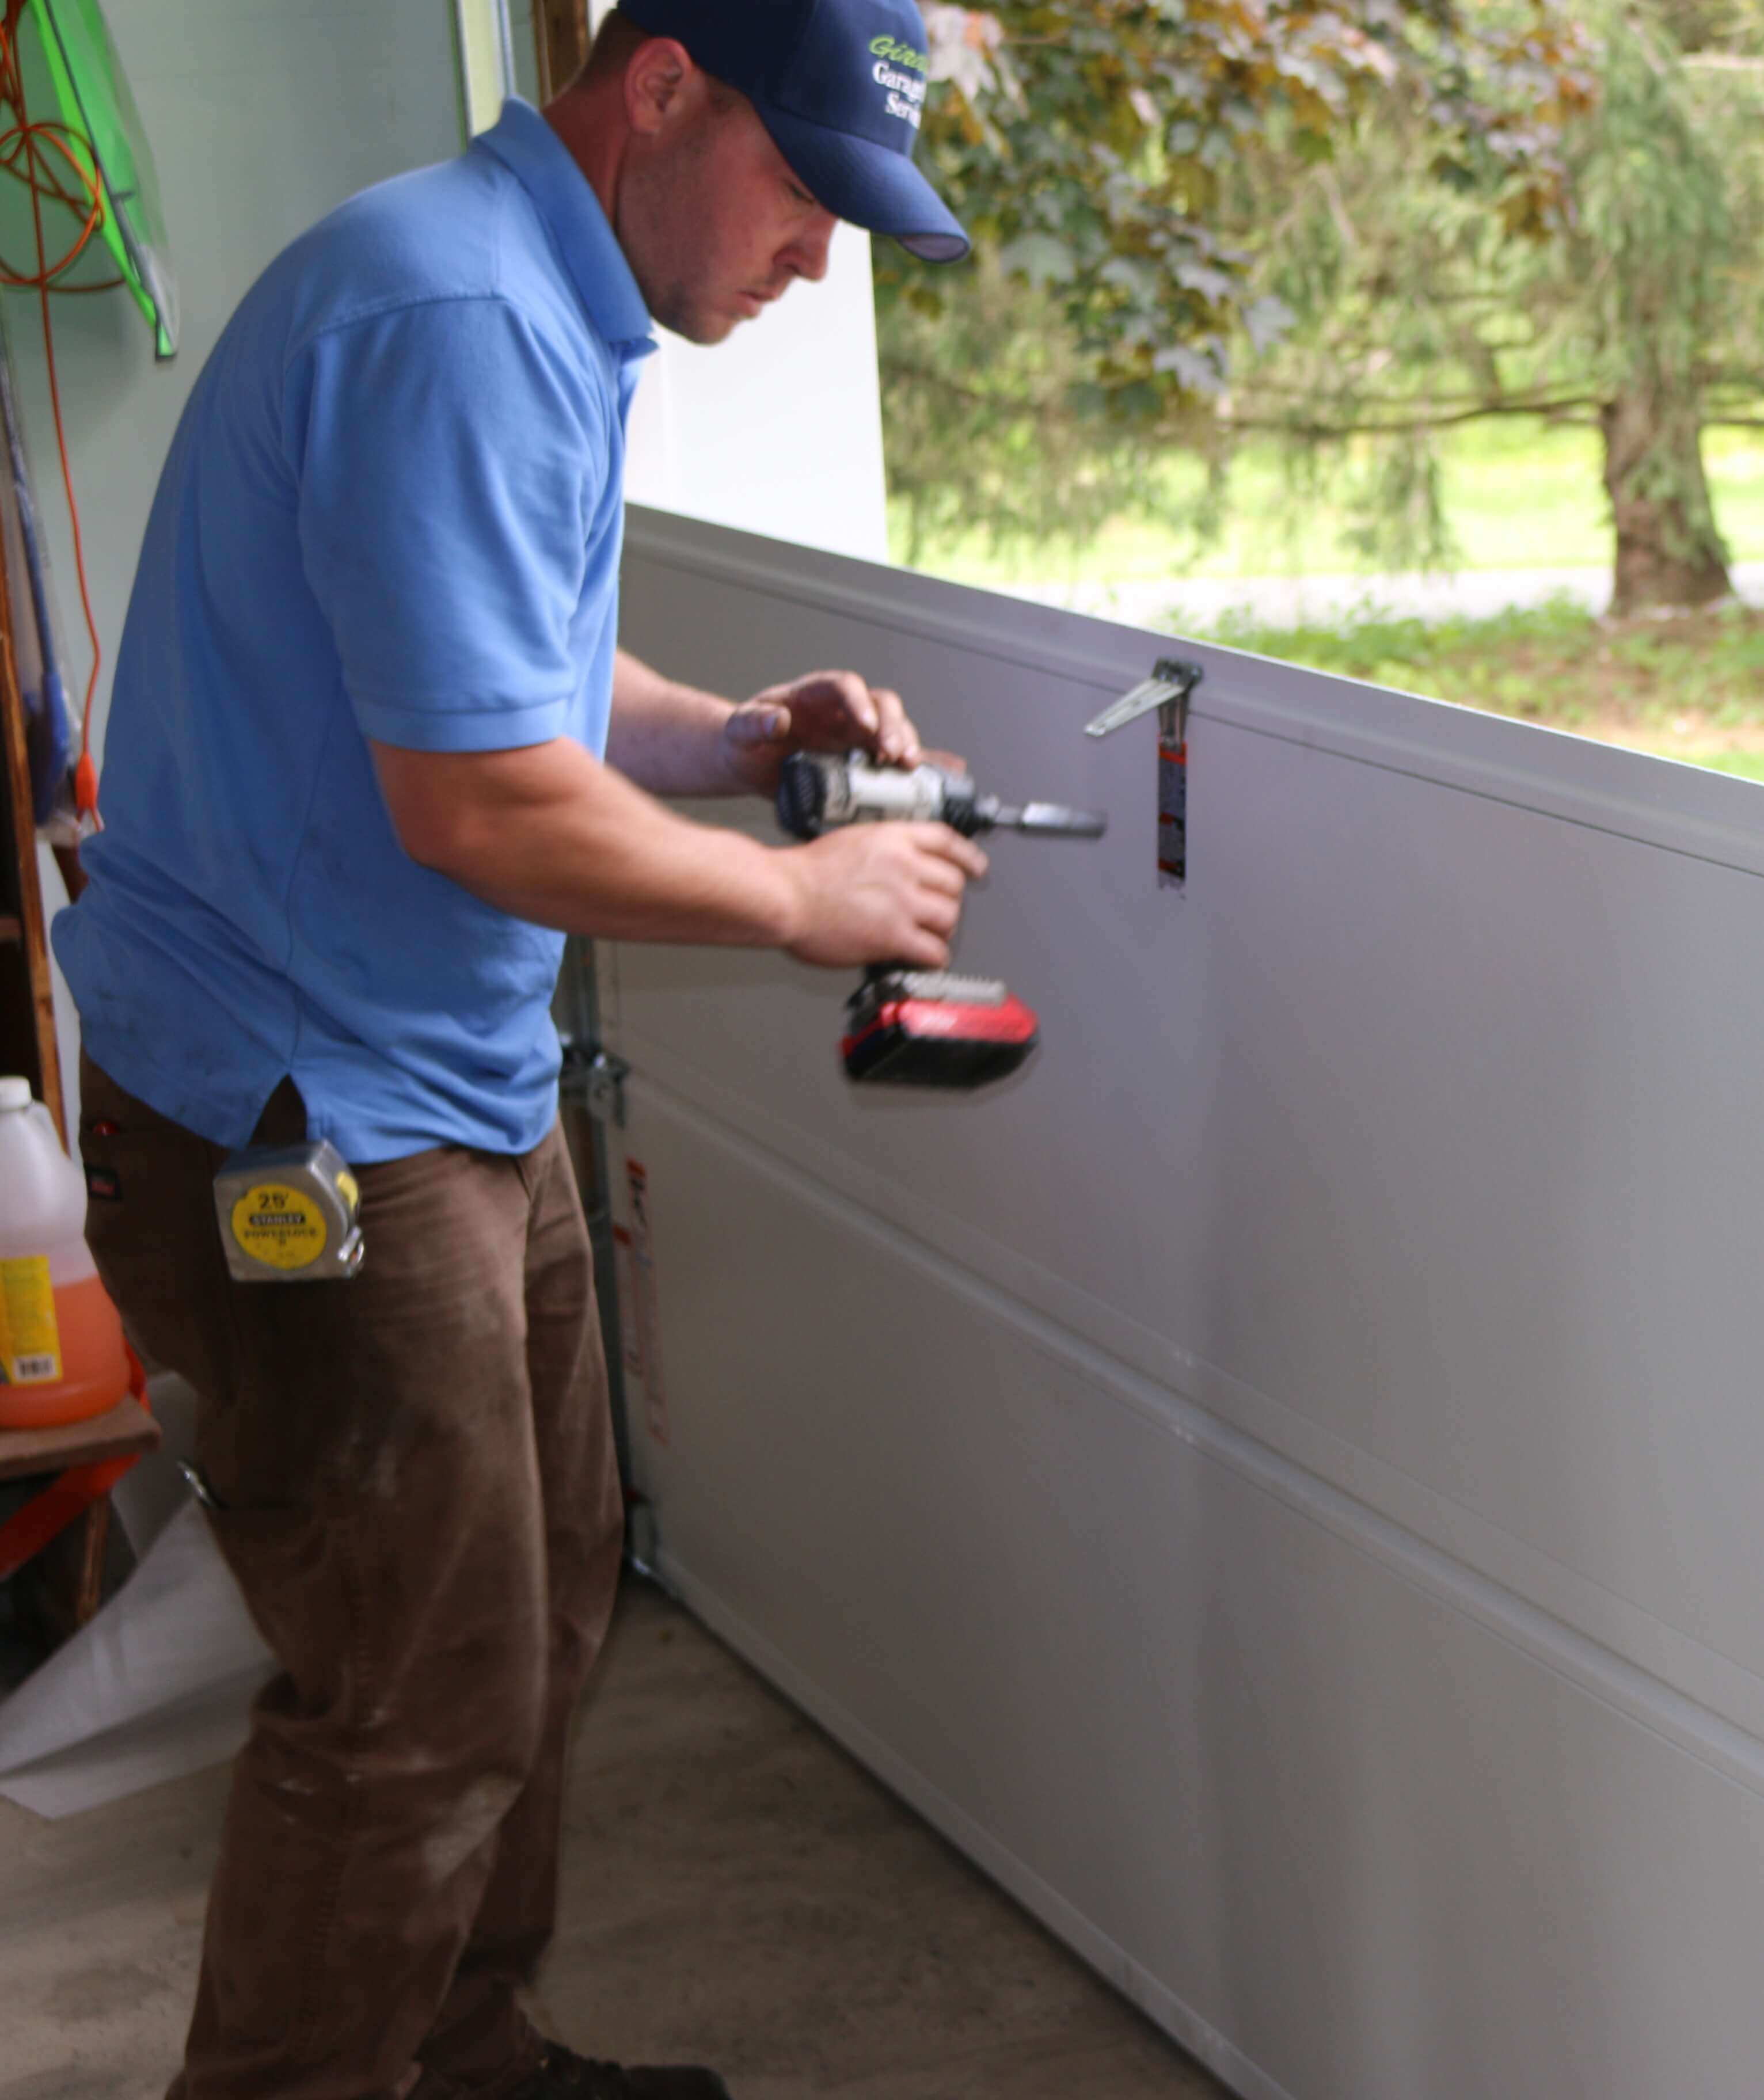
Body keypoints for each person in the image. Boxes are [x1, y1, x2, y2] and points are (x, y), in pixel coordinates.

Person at [49, 4, 983, 2094]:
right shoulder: (454, 315)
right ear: (663, 86)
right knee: (414, 1704)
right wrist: (799, 900)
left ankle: (463, 2055)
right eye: (803, 192)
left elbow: (515, 675)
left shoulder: (534, 295)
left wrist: (738, 741)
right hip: (299, 1117)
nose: (814, 257)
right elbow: (474, 800)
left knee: (537, 1616)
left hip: (444, 1080)